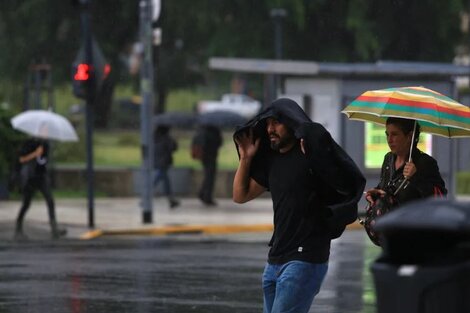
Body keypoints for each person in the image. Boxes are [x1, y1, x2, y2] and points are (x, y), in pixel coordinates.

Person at [232, 98, 365, 313]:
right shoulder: (272, 161)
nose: (270, 129)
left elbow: (342, 182)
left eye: (277, 123)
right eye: (267, 123)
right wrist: (246, 158)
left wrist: (317, 156)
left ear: (291, 123)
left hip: (305, 258)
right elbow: (240, 195)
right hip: (275, 260)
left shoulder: (310, 156)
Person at [365, 117, 447, 208]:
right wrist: (375, 193)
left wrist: (416, 178)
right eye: (387, 134)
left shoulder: (425, 162)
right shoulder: (388, 159)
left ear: (410, 136)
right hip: (388, 220)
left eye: (394, 134)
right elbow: (386, 189)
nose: (389, 140)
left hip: (411, 220)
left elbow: (440, 198)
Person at [15, 138, 66, 240]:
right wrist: (35, 154)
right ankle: (18, 228)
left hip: (41, 177)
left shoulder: (46, 144)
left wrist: (43, 157)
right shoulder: (29, 143)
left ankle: (54, 228)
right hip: (30, 177)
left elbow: (43, 161)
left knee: (50, 200)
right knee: (26, 203)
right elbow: (22, 159)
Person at [192, 125, 222, 206]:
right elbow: (219, 143)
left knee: (207, 176)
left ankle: (202, 193)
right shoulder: (215, 131)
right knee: (210, 177)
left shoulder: (201, 130)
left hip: (204, 157)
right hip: (211, 156)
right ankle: (206, 196)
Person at [153, 126, 180, 209]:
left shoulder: (154, 137)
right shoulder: (167, 138)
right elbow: (173, 148)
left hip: (157, 161)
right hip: (164, 162)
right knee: (162, 178)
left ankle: (171, 199)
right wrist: (174, 141)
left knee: (164, 179)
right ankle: (170, 199)